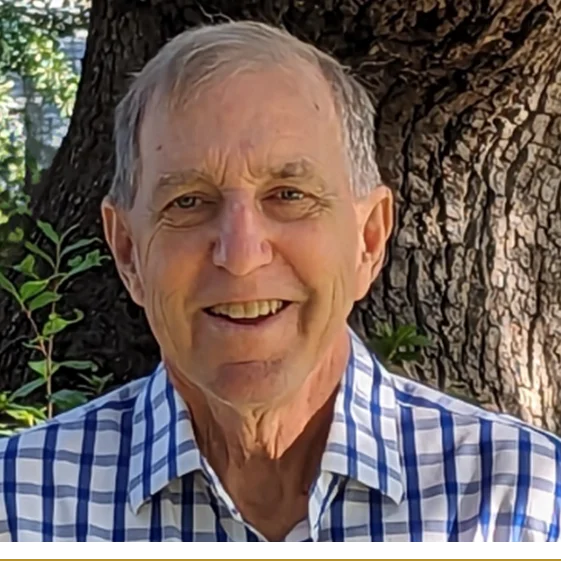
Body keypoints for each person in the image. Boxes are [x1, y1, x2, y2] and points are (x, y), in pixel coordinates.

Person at [0, 20, 559, 545]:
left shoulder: (523, 508)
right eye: (188, 202)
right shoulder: (19, 511)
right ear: (127, 253)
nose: (241, 256)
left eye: (289, 196)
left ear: (368, 241)